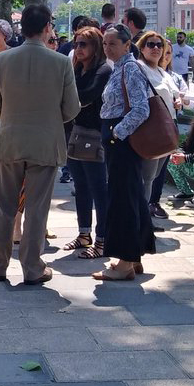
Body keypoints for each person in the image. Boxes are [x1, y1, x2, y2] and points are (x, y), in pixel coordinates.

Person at [0, 5, 80, 285]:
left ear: (21, 28)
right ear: (47, 28)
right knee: (37, 209)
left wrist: (12, 118)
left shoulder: (3, 60)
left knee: (4, 206)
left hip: (9, 139)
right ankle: (32, 268)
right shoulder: (60, 62)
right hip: (46, 143)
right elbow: (71, 109)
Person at [93, 24, 153, 281]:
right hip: (119, 139)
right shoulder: (122, 68)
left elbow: (141, 109)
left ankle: (125, 261)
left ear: (127, 45)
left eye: (113, 43)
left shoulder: (130, 68)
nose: (107, 48)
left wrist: (118, 132)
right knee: (131, 195)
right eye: (105, 43)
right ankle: (134, 256)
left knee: (122, 199)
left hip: (123, 142)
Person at [63, 26, 112, 259]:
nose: (78, 48)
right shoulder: (76, 69)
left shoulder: (103, 69)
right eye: (76, 44)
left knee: (98, 189)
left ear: (96, 46)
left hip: (94, 135)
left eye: (84, 44)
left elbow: (86, 97)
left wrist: (65, 96)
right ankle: (84, 234)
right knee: (80, 186)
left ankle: (103, 240)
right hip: (74, 133)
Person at [136, 32, 183, 221]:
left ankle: (143, 218)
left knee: (153, 176)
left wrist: (178, 100)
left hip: (167, 129)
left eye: (159, 45)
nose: (156, 48)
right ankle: (142, 221)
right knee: (147, 177)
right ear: (141, 47)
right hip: (150, 130)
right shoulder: (138, 69)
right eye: (150, 44)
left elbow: (176, 94)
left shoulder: (163, 72)